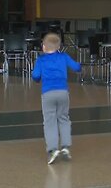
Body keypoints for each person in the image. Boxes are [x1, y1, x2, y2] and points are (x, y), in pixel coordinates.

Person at [32, 33, 81, 165]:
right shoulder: (63, 56)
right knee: (64, 118)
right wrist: (79, 65)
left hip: (47, 93)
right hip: (63, 92)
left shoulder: (41, 60)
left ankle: (53, 149)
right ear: (59, 47)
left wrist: (37, 79)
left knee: (49, 121)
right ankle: (65, 146)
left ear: (43, 47)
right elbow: (76, 67)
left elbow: (35, 75)